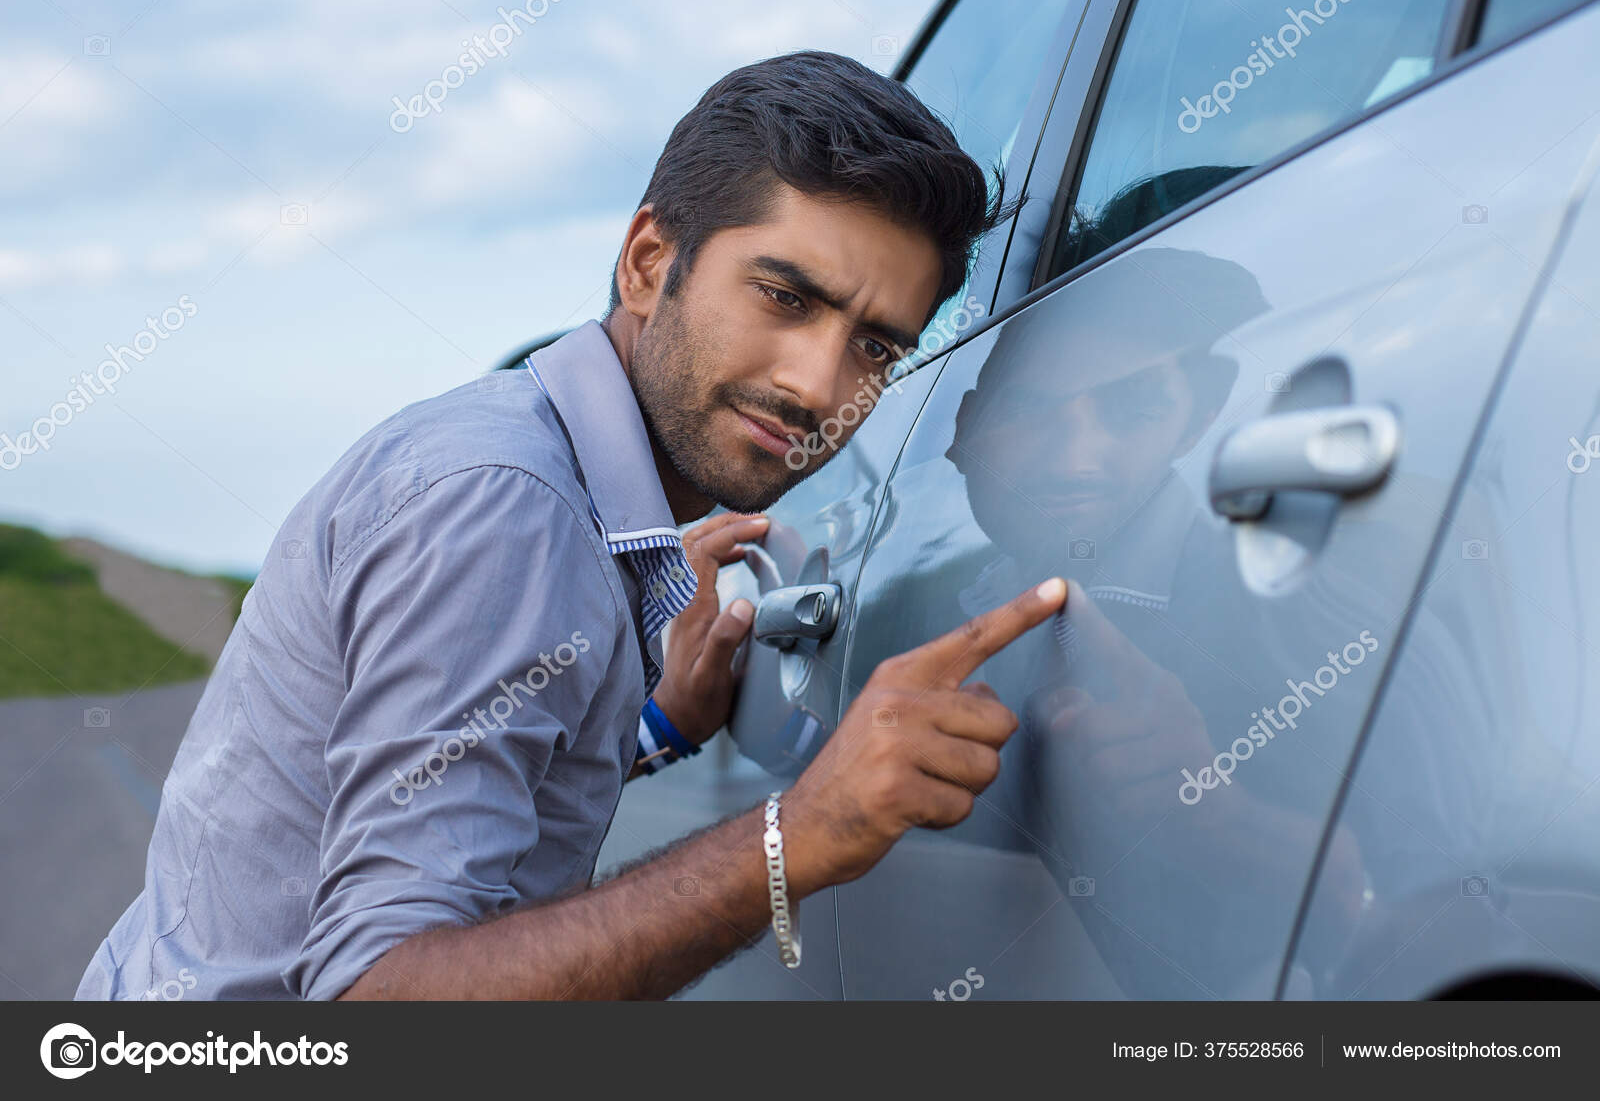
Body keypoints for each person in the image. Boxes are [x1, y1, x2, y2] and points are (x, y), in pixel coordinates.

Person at [76, 50, 1065, 1001]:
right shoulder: (506, 508)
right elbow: (381, 999)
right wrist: (798, 834)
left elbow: (461, 772)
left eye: (876, 346)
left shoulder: (551, 482)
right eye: (784, 296)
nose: (818, 385)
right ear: (648, 262)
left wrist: (655, 728)